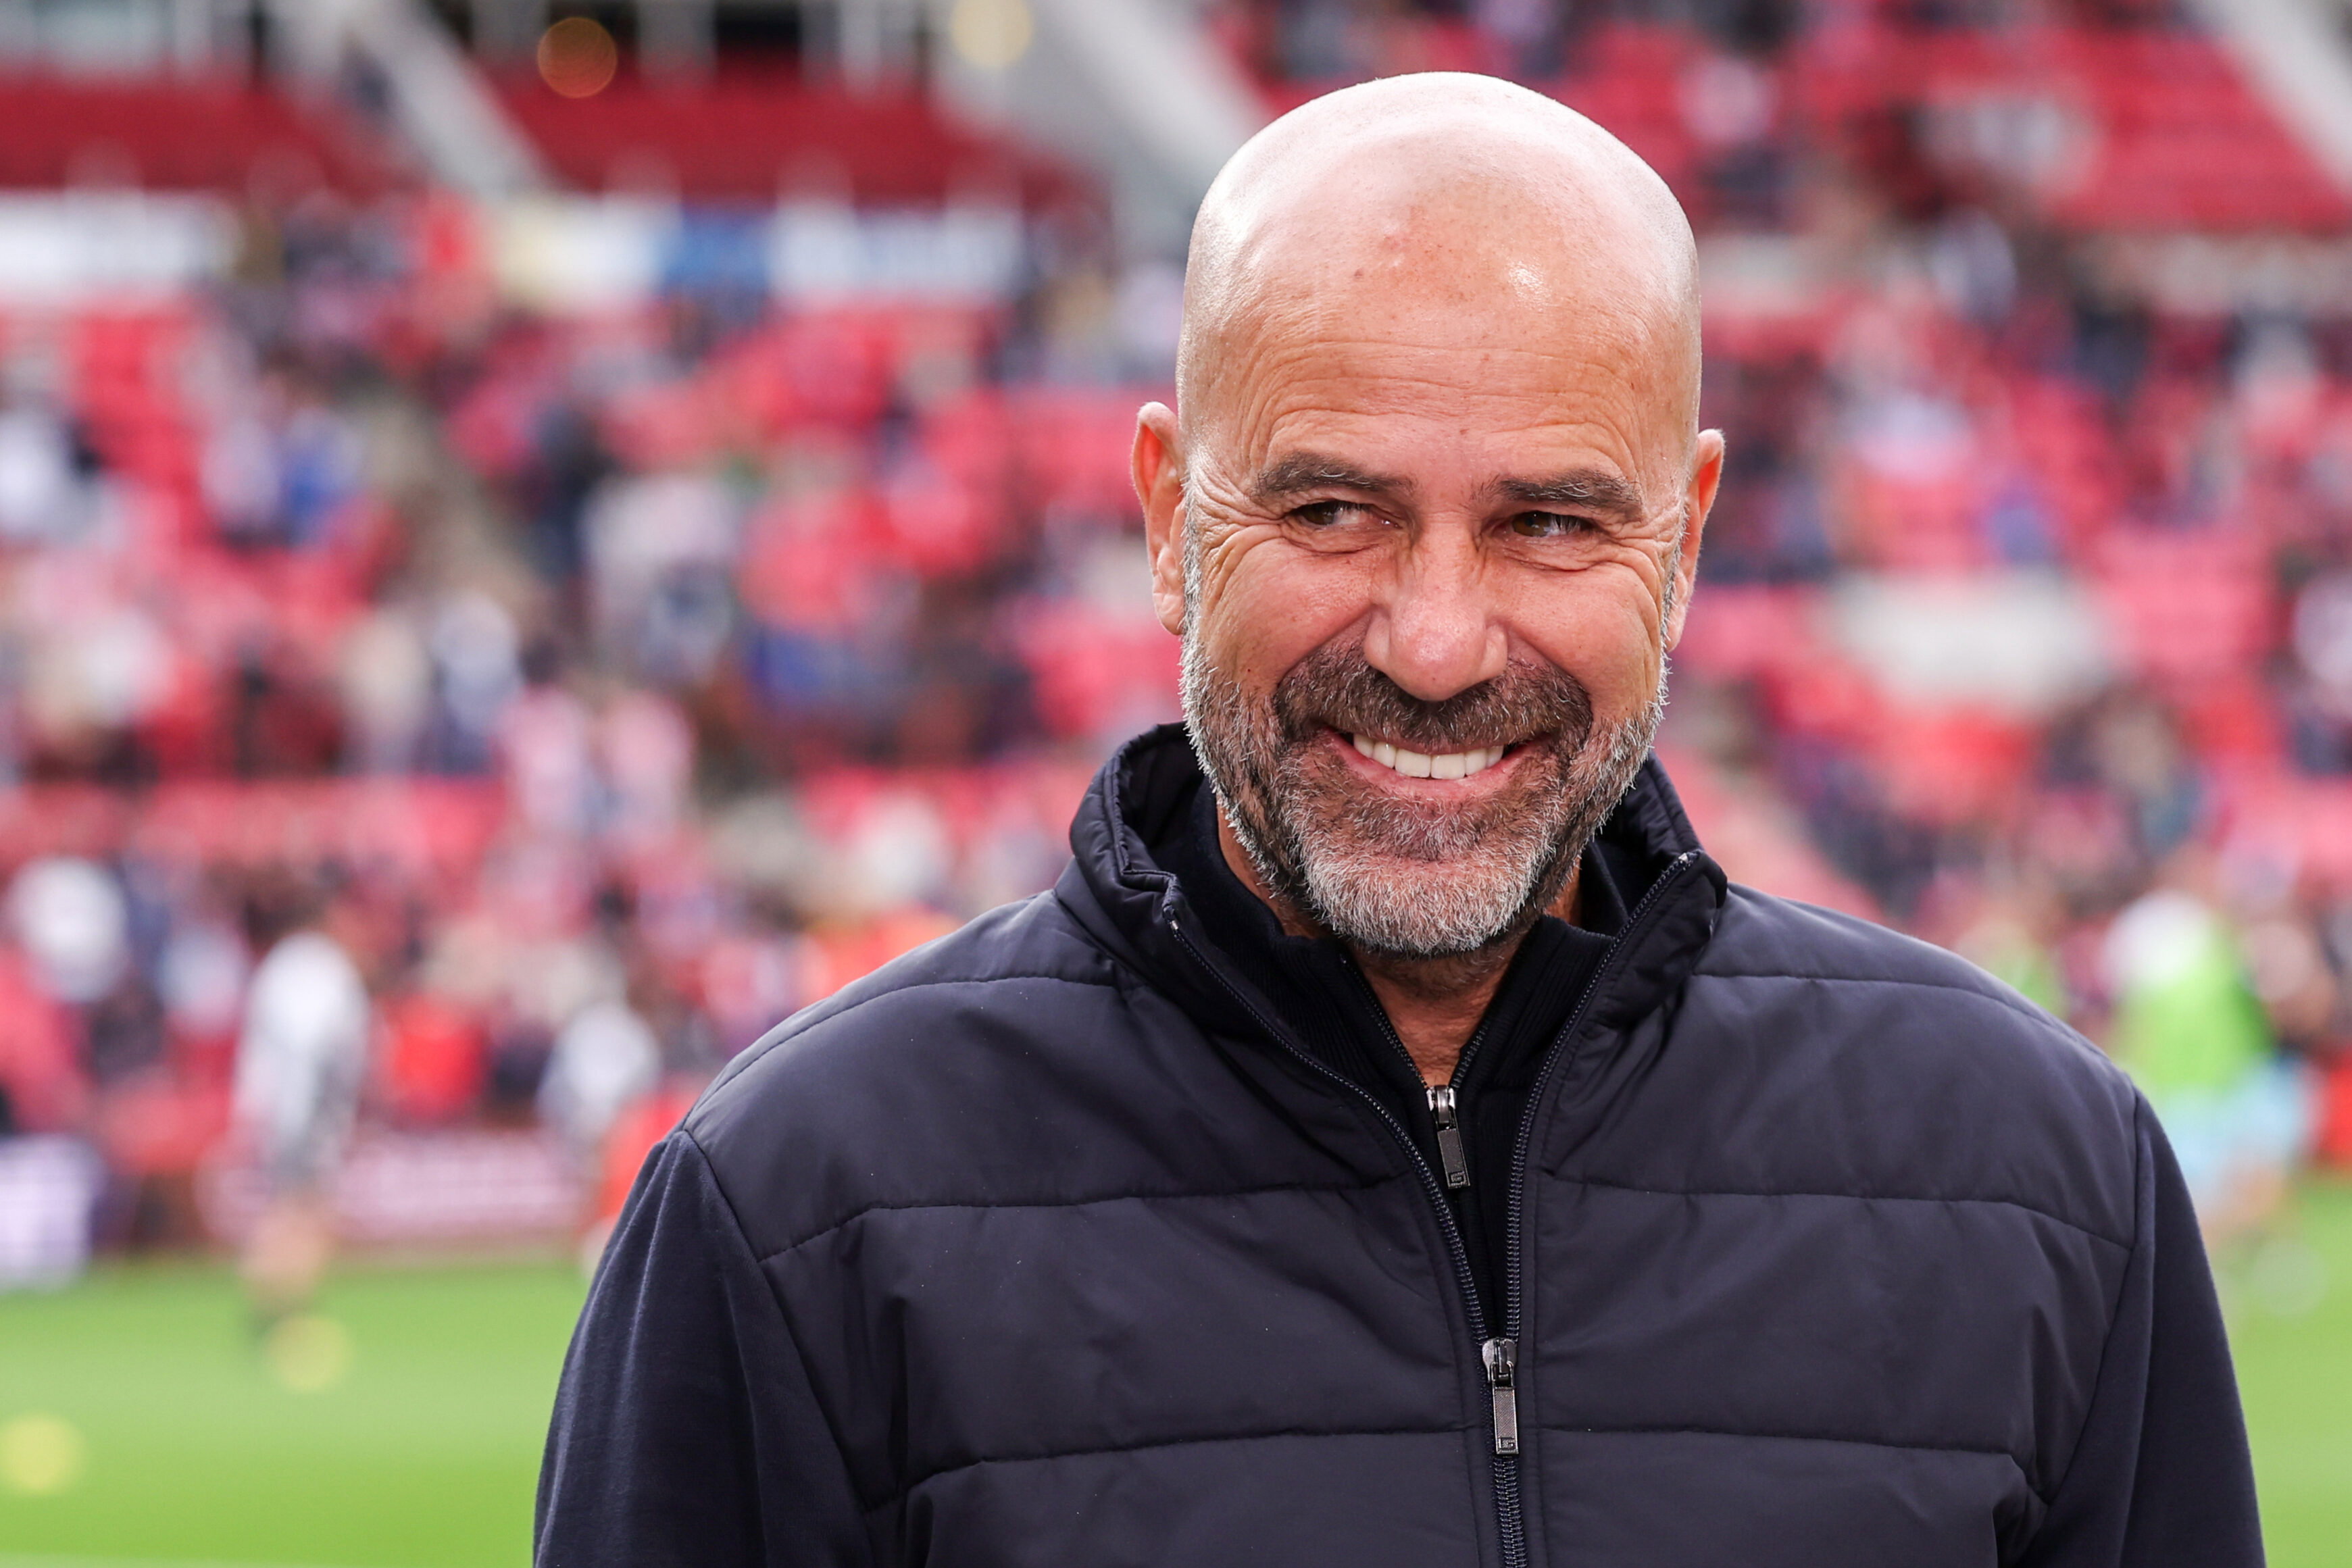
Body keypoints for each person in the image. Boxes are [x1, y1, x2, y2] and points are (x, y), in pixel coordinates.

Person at [538, 76, 2259, 1567]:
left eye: (1551, 525)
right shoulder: (789, 1212)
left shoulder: (2049, 1184)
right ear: (1165, 515)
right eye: (1334, 507)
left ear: (1690, 530)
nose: (1435, 643)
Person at [231, 889, 371, 1325]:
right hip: (307, 1112)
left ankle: (278, 1303)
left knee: (292, 1206)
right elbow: (326, 1050)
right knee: (304, 1211)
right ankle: (281, 1307)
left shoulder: (278, 966)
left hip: (278, 1110)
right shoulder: (322, 968)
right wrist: (332, 1118)